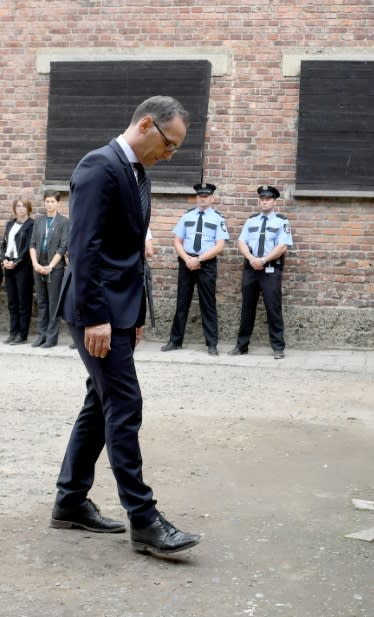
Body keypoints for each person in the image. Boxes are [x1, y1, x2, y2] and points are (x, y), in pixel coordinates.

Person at [50, 95, 202, 557]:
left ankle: (70, 502)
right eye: (169, 144)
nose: (170, 154)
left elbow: (129, 252)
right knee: (125, 402)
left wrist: (132, 316)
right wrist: (97, 316)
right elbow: (86, 247)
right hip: (93, 311)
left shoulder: (138, 172)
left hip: (118, 310)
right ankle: (145, 520)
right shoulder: (99, 167)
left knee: (100, 404)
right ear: (147, 124)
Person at [161, 181, 228, 356]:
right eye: (199, 196)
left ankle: (212, 344)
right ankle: (175, 341)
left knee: (208, 304)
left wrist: (199, 259)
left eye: (205, 196)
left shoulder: (218, 218)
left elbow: (220, 245)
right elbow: (177, 241)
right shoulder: (187, 216)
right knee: (182, 302)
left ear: (212, 198)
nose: (202, 199)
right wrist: (188, 259)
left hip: (206, 264)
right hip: (186, 262)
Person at [228, 185, 293, 359]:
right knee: (247, 308)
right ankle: (242, 346)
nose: (265, 202)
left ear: (274, 201)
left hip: (271, 269)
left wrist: (263, 260)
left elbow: (282, 246)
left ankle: (278, 347)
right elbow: (241, 242)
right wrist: (251, 259)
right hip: (251, 268)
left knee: (273, 308)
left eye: (268, 199)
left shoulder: (282, 221)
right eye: (262, 199)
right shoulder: (251, 221)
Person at [29, 190, 69, 348]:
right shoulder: (38, 221)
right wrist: (35, 264)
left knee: (53, 303)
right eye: (47, 201)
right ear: (44, 202)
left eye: (53, 201)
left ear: (58, 203)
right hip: (38, 264)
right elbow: (32, 244)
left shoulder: (64, 222)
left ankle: (51, 338)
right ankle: (41, 335)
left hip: (55, 266)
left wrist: (51, 266)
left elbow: (63, 246)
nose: (50, 204)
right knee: (42, 302)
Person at [1, 197, 35, 345]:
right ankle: (13, 332)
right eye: (18, 206)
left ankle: (22, 334)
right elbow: (3, 245)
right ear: (15, 208)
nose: (20, 208)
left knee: (23, 302)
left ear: (28, 208)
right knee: (12, 302)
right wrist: (3, 260)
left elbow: (28, 247)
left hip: (23, 268)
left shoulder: (31, 225)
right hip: (8, 266)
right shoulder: (10, 224)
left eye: (23, 206)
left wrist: (16, 262)